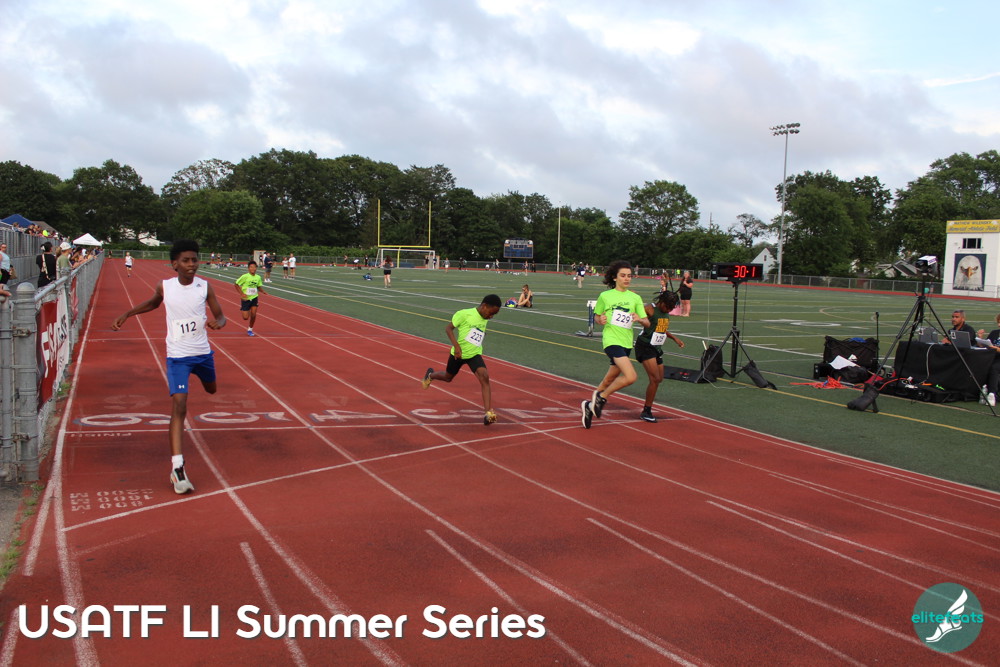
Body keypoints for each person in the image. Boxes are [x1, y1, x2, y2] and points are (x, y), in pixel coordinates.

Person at [111, 239, 226, 495]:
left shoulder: (205, 287)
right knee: (179, 404)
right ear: (174, 264)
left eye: (194, 259)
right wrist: (127, 314)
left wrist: (220, 321)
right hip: (178, 356)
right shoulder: (165, 286)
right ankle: (177, 468)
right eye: (186, 260)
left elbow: (220, 314)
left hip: (202, 354)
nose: (191, 264)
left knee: (212, 389)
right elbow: (153, 303)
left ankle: (204, 378)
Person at [581, 261, 650, 429]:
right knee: (631, 376)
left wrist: (640, 319)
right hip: (611, 341)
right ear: (614, 277)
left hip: (626, 342)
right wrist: (600, 319)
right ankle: (602, 398)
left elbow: (647, 322)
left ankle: (589, 406)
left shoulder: (635, 298)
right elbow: (597, 316)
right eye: (623, 275)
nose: (627, 279)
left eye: (629, 276)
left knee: (609, 379)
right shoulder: (605, 296)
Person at [421, 294, 503, 425]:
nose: (491, 317)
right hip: (458, 354)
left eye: (494, 315)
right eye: (491, 313)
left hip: (474, 354)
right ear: (484, 306)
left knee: (484, 377)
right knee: (448, 377)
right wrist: (457, 347)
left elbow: (476, 330)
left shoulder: (485, 317)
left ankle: (488, 413)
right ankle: (430, 375)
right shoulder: (464, 314)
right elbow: (448, 328)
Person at [635, 291, 685, 422]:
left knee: (659, 378)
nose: (669, 310)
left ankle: (648, 406)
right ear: (661, 302)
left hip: (656, 347)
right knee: (655, 379)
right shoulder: (649, 309)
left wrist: (675, 338)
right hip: (645, 346)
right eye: (667, 307)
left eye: (671, 308)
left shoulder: (666, 313)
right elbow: (634, 314)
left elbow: (661, 328)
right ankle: (646, 411)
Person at [235, 260, 268, 337]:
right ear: (248, 268)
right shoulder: (245, 276)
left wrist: (263, 291)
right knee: (245, 317)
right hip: (246, 299)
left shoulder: (258, 277)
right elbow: (236, 284)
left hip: (254, 297)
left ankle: (250, 329)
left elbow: (258, 286)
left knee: (253, 314)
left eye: (254, 267)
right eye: (251, 267)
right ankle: (246, 309)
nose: (253, 269)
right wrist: (242, 294)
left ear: (256, 268)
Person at [976, 313, 1000, 406]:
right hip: (991, 357)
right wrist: (980, 338)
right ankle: (980, 389)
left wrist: (996, 348)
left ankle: (992, 393)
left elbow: (994, 348)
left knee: (994, 368)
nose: (999, 324)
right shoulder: (994, 333)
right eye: (998, 322)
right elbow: (986, 345)